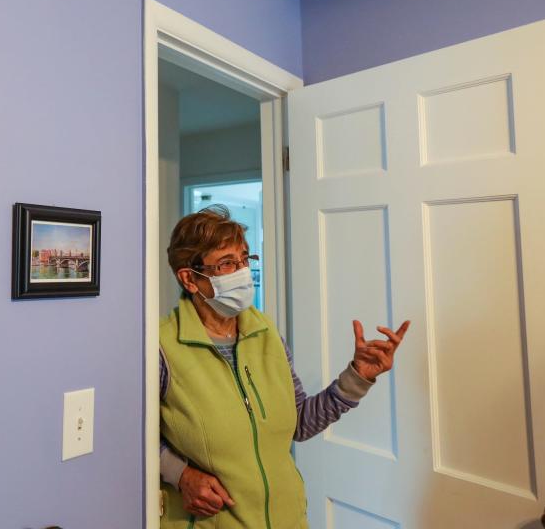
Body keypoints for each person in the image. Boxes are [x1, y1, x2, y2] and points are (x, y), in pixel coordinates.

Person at [160, 206, 409, 529]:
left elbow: (300, 423)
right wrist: (180, 474)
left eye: (245, 259)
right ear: (190, 279)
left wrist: (358, 376)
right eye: (226, 263)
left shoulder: (266, 334)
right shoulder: (163, 347)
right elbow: (128, 439)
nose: (242, 271)